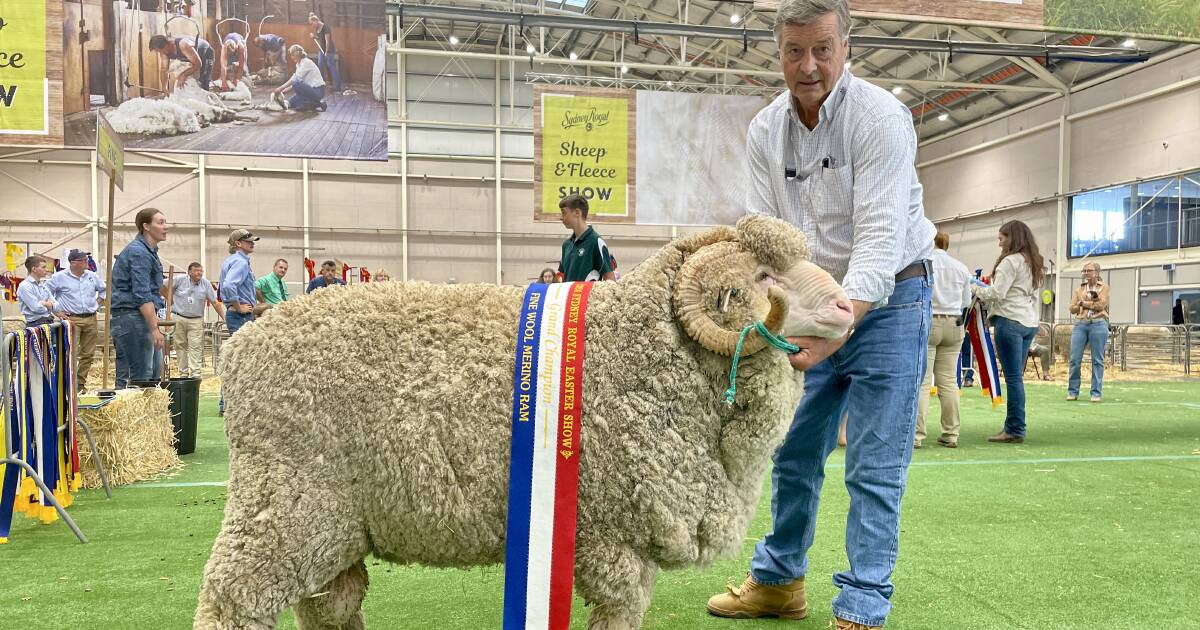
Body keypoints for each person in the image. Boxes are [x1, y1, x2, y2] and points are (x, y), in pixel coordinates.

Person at [704, 1, 934, 628]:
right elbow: (765, 238)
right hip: (809, 303)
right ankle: (779, 581)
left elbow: (881, 238)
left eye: (823, 49)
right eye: (795, 51)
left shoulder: (880, 118)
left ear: (845, 48)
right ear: (778, 53)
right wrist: (780, 317)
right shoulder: (764, 131)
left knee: (874, 462)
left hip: (891, 301)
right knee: (793, 449)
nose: (809, 66)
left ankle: (862, 604)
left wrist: (839, 326)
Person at [971, 220, 1044, 444]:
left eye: (1002, 236)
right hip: (1028, 321)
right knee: (1016, 378)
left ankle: (1014, 428)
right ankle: (1015, 425)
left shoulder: (1009, 262)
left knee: (1012, 378)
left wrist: (974, 287)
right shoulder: (1033, 262)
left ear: (1012, 238)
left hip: (1009, 320)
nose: (999, 240)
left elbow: (997, 293)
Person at [915, 232, 971, 449]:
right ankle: (951, 434)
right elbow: (966, 300)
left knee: (922, 381)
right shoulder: (960, 267)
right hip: (954, 323)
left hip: (930, 321)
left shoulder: (925, 264)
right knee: (948, 381)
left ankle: (917, 435)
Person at [110, 208, 168, 388]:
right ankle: (128, 416)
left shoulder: (148, 251)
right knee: (140, 377)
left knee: (150, 375)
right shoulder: (139, 252)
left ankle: (147, 415)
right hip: (132, 317)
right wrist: (154, 327)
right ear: (146, 226)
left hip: (137, 316)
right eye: (160, 222)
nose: (165, 227)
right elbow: (142, 294)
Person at [48, 249, 107, 392]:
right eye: (83, 260)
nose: (87, 262)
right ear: (73, 263)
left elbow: (104, 290)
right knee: (71, 353)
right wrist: (56, 310)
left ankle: (80, 385)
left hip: (90, 318)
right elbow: (46, 292)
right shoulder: (59, 277)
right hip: (71, 318)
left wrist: (98, 302)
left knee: (88, 354)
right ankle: (68, 384)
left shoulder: (92, 276)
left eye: (86, 260)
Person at [218, 229, 259, 415]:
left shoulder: (231, 261)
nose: (252, 243)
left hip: (236, 314)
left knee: (236, 360)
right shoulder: (241, 263)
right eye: (247, 240)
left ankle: (226, 403)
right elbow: (228, 286)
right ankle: (227, 404)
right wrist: (239, 306)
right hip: (239, 315)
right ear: (238, 244)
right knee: (239, 361)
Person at [171, 262, 226, 378]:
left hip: (196, 320)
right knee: (180, 346)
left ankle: (196, 374)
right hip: (178, 317)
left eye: (201, 270)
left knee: (195, 347)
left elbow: (215, 302)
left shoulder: (205, 284)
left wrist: (224, 318)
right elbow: (163, 286)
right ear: (189, 272)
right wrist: (169, 299)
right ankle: (183, 374)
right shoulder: (179, 280)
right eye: (196, 270)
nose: (199, 273)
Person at [1067, 261, 1110, 402]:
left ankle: (1096, 392)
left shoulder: (1104, 288)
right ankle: (1073, 391)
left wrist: (1083, 303)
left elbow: (1101, 305)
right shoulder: (1079, 289)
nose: (1085, 273)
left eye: (1088, 270)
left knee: (1097, 359)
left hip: (1098, 323)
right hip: (1080, 323)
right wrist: (1085, 305)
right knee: (1074, 359)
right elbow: (1072, 308)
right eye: (1084, 271)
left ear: (1096, 273)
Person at [557, 194, 616, 282]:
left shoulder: (596, 242)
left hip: (588, 296)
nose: (561, 217)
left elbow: (611, 281)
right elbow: (561, 277)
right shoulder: (566, 245)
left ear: (577, 213)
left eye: (564, 212)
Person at [148, 34, 216, 93]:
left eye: (159, 51)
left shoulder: (183, 45)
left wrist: (183, 75)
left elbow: (198, 64)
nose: (160, 53)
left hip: (206, 52)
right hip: (192, 56)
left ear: (166, 45)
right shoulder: (164, 52)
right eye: (158, 51)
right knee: (190, 80)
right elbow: (164, 70)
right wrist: (164, 87)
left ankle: (207, 104)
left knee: (203, 79)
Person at [271, 45, 327, 112]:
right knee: (290, 103)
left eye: (292, 55)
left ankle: (314, 104)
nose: (291, 57)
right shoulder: (298, 64)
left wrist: (280, 88)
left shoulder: (306, 62)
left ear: (297, 54)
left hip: (317, 90)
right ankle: (312, 104)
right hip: (308, 91)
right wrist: (283, 92)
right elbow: (297, 81)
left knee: (296, 83)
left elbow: (295, 80)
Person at [307, 13, 343, 92]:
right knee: (320, 66)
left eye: (312, 23)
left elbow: (327, 41)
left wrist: (326, 52)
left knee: (331, 67)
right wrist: (314, 37)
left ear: (316, 21)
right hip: (321, 50)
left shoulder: (326, 28)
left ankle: (338, 87)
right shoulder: (317, 28)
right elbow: (320, 38)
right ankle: (320, 85)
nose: (312, 26)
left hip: (329, 50)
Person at [17, 256, 56, 326]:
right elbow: (37, 308)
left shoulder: (43, 285)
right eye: (43, 267)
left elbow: (54, 303)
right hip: (35, 324)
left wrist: (44, 303)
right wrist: (47, 305)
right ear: (34, 269)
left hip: (49, 321)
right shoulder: (25, 286)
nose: (46, 270)